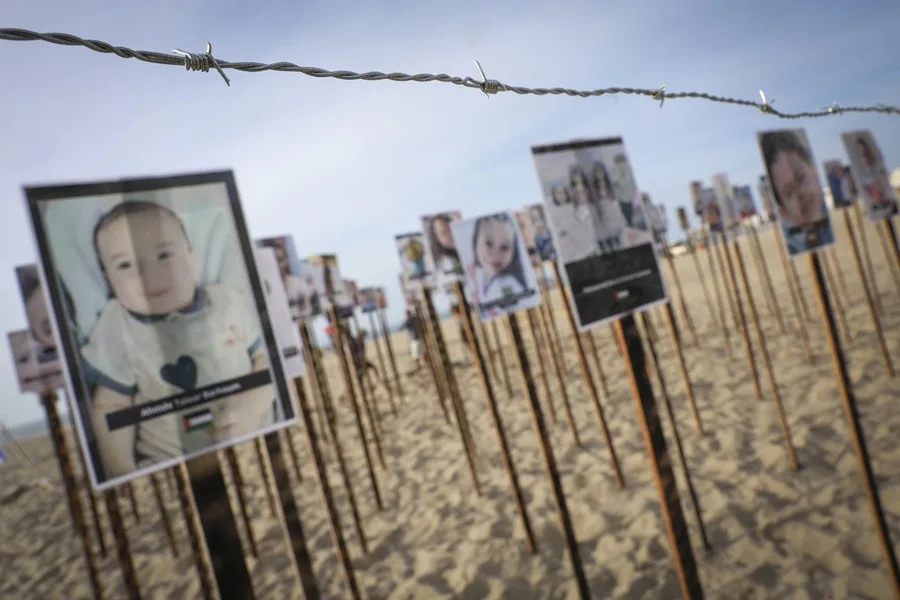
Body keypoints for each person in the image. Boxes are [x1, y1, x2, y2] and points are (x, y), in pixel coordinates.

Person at [81, 200, 276, 479]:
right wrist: (122, 471)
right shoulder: (116, 326)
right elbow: (111, 406)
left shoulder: (227, 301)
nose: (149, 275)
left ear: (193, 261)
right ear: (109, 281)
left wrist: (253, 404)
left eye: (164, 256)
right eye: (125, 265)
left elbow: (265, 359)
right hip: (171, 467)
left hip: (254, 441)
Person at [759, 130, 834, 254]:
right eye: (788, 191)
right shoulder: (796, 244)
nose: (801, 194)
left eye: (801, 177)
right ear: (782, 208)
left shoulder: (831, 228)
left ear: (813, 170)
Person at [467, 214, 529, 317]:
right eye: (488, 243)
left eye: (505, 247)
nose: (496, 255)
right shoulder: (474, 274)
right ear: (475, 242)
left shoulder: (512, 284)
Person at [258, 238, 319, 319]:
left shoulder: (296, 282)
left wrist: (305, 303)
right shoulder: (262, 280)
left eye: (280, 260)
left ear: (286, 261)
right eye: (274, 260)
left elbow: (306, 307)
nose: (277, 265)